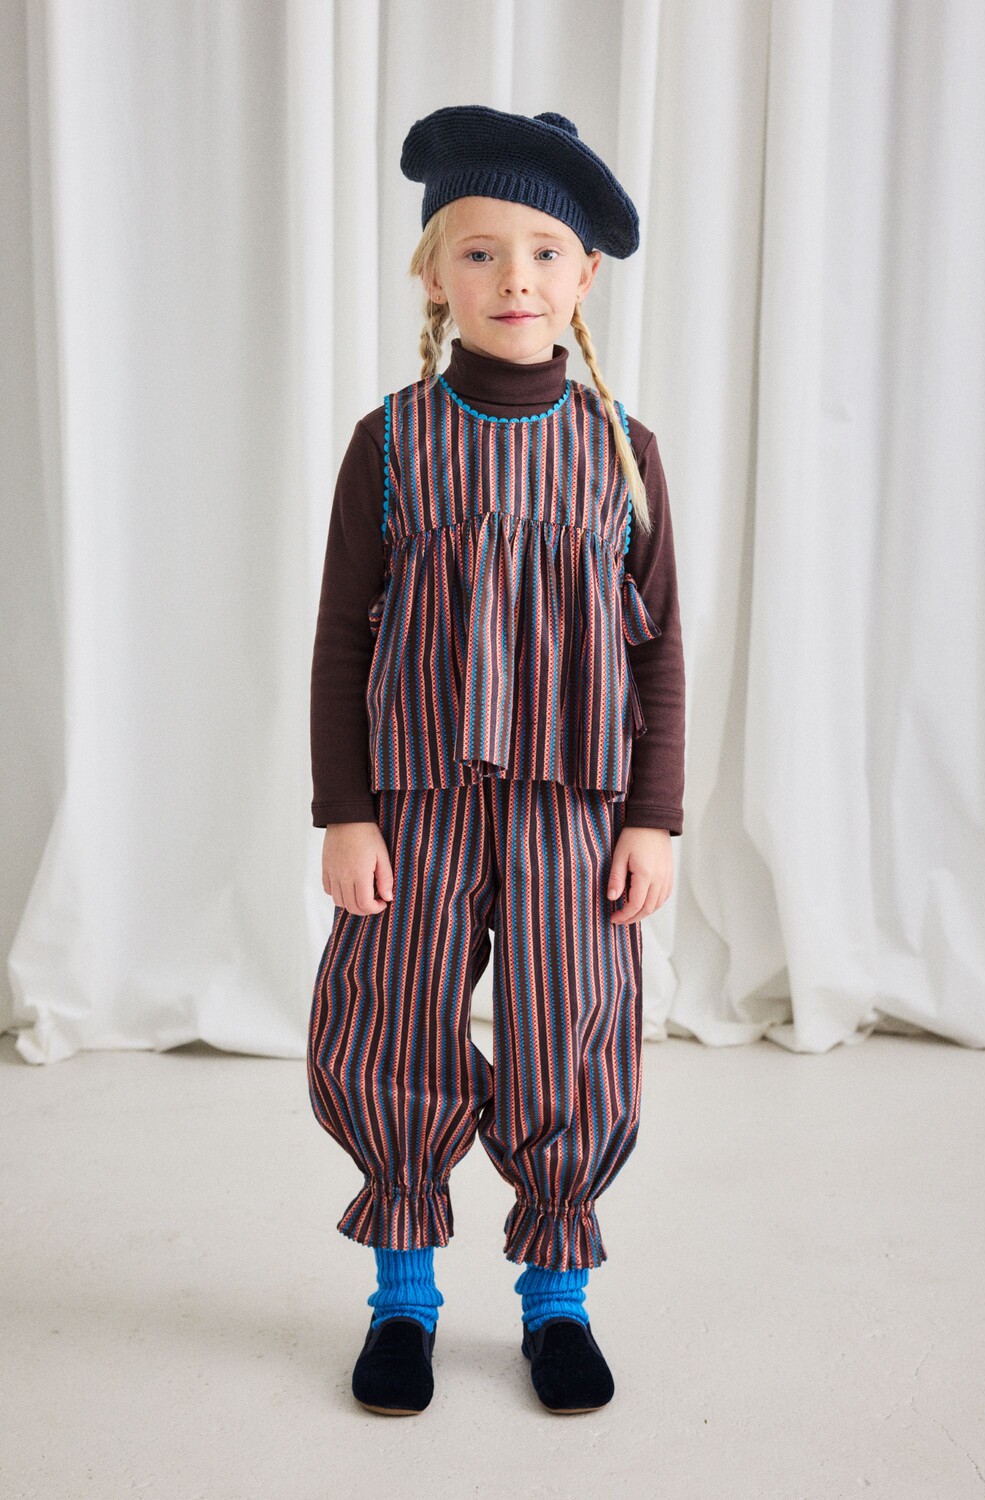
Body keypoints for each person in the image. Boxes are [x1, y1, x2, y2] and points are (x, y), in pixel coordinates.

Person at [307, 104, 686, 1416]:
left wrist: (653, 817)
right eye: (478, 251)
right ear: (432, 274)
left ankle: (556, 1302)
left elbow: (659, 653)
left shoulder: (623, 454)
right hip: (415, 802)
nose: (512, 277)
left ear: (585, 278)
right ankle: (403, 1300)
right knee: (393, 1025)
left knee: (568, 1037)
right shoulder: (391, 445)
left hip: (575, 811)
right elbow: (341, 640)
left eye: (543, 251)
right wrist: (346, 812)